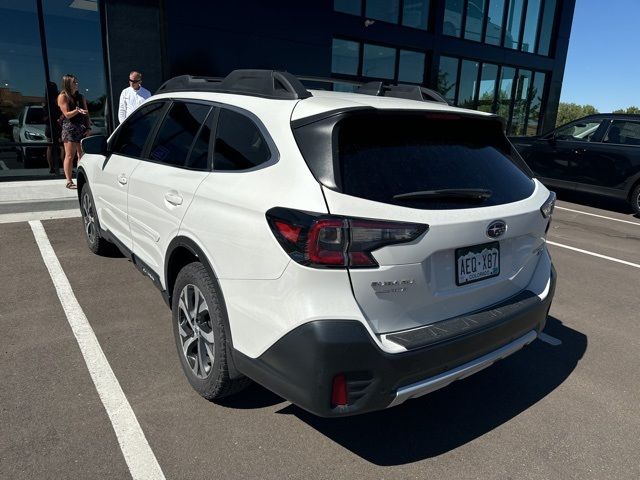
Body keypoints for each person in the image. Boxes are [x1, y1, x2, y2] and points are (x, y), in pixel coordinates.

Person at [57, 74, 91, 189]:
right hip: (69, 128)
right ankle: (69, 180)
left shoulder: (81, 97)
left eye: (77, 82)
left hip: (81, 128)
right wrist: (77, 110)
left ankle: (81, 178)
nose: (77, 84)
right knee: (70, 155)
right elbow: (67, 114)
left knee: (81, 155)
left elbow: (87, 114)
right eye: (74, 83)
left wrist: (88, 128)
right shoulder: (63, 96)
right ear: (68, 84)